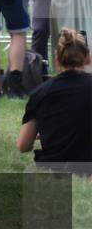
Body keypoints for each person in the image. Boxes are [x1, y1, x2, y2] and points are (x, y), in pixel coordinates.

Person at [17, 28, 92, 170]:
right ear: (88, 58)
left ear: (57, 59)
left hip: (52, 170)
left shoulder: (40, 92)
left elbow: (23, 145)